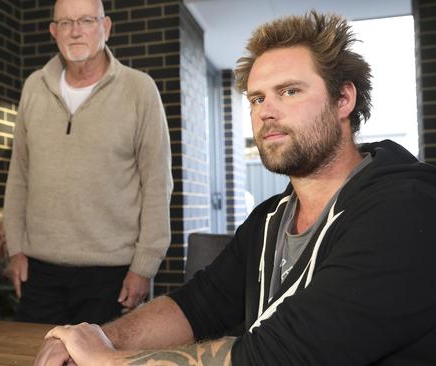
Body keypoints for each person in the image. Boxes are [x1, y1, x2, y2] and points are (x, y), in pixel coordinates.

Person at [34, 10, 436, 365]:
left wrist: (107, 362)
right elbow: (197, 305)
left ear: (343, 98)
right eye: (257, 98)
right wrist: (100, 337)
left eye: (290, 91)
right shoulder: (269, 220)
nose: (267, 112)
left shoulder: (407, 209)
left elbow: (279, 356)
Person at [2, 0, 172, 325]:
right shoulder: (34, 88)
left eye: (85, 21)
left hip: (112, 273)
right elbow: (19, 175)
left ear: (105, 27)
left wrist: (144, 266)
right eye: (65, 23)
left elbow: (156, 183)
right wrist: (16, 248)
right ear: (54, 32)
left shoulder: (140, 89)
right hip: (39, 270)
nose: (76, 31)